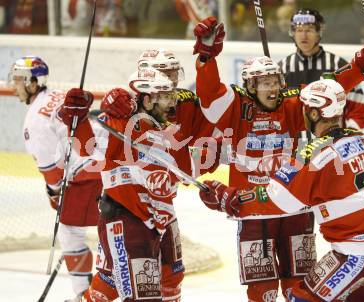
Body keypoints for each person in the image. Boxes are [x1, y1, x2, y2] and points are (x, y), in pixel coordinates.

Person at [192, 16, 364, 302]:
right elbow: (209, 95)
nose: (272, 88)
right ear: (250, 86)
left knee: (299, 287)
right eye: (264, 83)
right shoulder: (235, 108)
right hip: (255, 213)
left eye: (275, 81)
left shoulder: (290, 105)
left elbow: (329, 88)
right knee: (262, 292)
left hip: (295, 212)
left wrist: (362, 64)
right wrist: (207, 56)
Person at [60, 67, 215, 302]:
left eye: (171, 95)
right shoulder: (119, 122)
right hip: (128, 218)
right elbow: (87, 148)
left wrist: (217, 153)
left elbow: (187, 170)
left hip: (160, 218)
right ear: (147, 98)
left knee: (169, 279)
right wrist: (76, 119)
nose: (172, 103)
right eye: (165, 97)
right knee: (141, 296)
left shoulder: (167, 131)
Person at [8, 56, 102, 302]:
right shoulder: (56, 95)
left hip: (89, 170)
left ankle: (86, 294)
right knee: (111, 226)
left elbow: (53, 172)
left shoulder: (34, 120)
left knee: (70, 232)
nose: (13, 85)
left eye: (18, 80)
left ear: (32, 83)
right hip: (108, 159)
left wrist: (54, 194)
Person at [279, 8, 364, 131]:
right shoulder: (283, 69)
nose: (303, 35)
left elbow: (359, 110)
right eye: (299, 30)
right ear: (293, 33)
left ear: (318, 33)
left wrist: (347, 136)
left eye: (309, 30)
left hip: (333, 144)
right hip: (296, 147)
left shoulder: (338, 65)